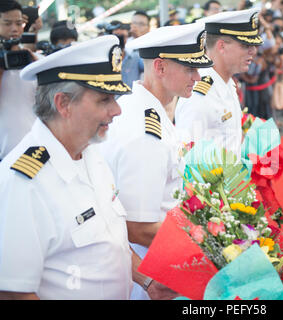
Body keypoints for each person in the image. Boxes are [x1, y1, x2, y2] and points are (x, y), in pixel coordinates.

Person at [0, 35, 138, 299]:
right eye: (104, 100)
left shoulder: (91, 153)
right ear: (63, 104)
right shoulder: (23, 183)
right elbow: (13, 292)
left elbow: (110, 242)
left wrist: (150, 281)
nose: (117, 110)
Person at [99, 23, 213, 300]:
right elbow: (137, 227)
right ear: (160, 67)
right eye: (189, 69)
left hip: (160, 260)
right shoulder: (145, 133)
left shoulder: (145, 110)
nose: (197, 77)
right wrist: (211, 243)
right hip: (154, 272)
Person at [175, 8, 262, 158]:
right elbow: (188, 161)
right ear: (221, 46)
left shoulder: (227, 82)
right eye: (245, 45)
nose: (253, 51)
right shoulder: (199, 96)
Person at [0, 0, 37, 161]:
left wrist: (39, 68)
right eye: (7, 23)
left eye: (19, 23)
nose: (14, 29)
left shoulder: (34, 60)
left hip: (33, 151)